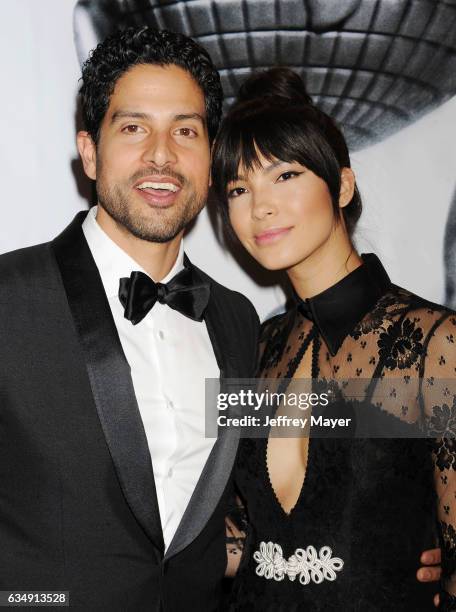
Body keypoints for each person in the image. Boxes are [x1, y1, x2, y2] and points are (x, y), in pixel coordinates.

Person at [0, 26, 260, 611]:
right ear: (90, 152)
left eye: (185, 131)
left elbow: (245, 497)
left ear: (210, 159)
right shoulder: (8, 297)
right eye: (134, 127)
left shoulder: (238, 320)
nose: (162, 155)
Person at [212, 67, 456, 610]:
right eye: (238, 188)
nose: (260, 206)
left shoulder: (436, 343)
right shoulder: (252, 347)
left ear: (342, 185)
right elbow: (246, 537)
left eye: (285, 176)